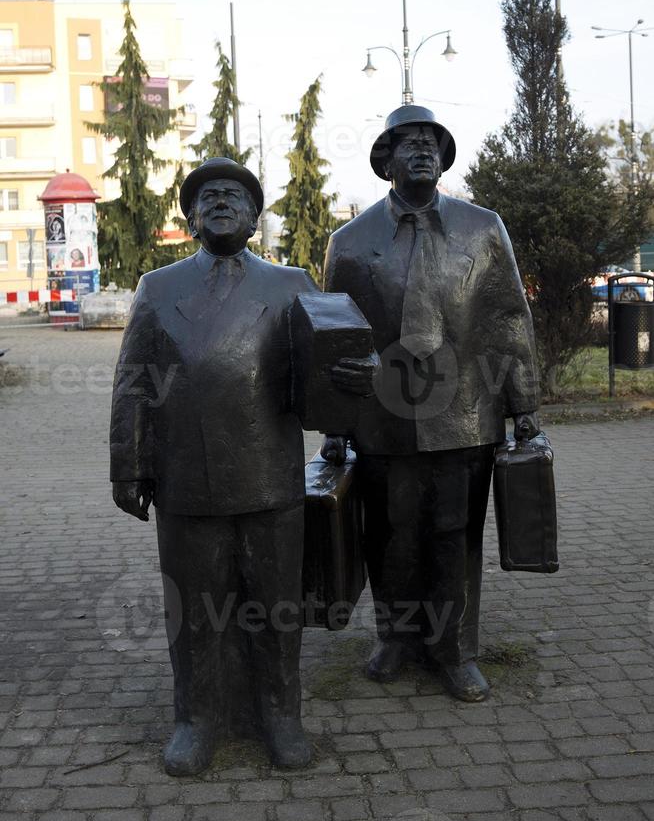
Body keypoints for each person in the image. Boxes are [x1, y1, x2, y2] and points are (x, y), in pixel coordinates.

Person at [111, 158, 324, 773]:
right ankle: (196, 718)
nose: (222, 201)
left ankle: (282, 714)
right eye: (209, 195)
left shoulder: (292, 283)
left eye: (236, 194)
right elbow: (133, 384)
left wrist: (348, 383)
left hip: (268, 476)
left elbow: (323, 382)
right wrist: (129, 464)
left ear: (257, 218)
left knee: (277, 608)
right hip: (186, 479)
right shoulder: (159, 287)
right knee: (195, 609)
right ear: (191, 215)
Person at [322, 105, 540, 703]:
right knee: (389, 534)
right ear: (384, 160)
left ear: (444, 158)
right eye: (405, 141)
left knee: (454, 534)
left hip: (465, 412)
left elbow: (507, 321)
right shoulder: (350, 241)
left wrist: (525, 410)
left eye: (430, 141)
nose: (420, 149)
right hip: (380, 416)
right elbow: (335, 336)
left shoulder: (482, 228)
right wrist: (335, 426)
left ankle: (455, 650)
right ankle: (394, 637)